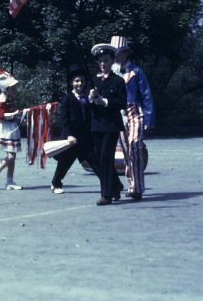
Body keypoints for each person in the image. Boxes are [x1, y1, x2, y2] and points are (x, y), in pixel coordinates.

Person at [110, 35, 155, 200]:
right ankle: (133, 186)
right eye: (114, 53)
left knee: (135, 145)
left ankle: (138, 187)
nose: (117, 56)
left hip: (135, 111)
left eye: (119, 52)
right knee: (126, 151)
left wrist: (149, 119)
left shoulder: (136, 71)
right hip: (118, 113)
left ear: (125, 53)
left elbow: (147, 95)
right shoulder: (110, 73)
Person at [50, 65, 100, 194]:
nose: (80, 84)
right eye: (77, 81)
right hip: (72, 137)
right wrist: (69, 135)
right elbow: (64, 118)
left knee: (94, 162)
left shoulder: (86, 98)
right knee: (65, 163)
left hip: (84, 137)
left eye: (82, 81)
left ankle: (110, 184)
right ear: (71, 83)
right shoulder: (68, 98)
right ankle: (56, 183)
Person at [89, 43, 126, 206]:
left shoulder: (118, 81)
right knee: (99, 158)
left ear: (112, 61)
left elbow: (122, 103)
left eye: (106, 60)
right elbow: (87, 103)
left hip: (111, 125)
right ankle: (116, 185)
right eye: (100, 61)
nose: (103, 64)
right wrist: (90, 99)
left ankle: (106, 194)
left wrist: (104, 101)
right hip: (96, 124)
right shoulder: (94, 80)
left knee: (106, 157)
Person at [0, 70, 24, 190]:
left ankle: (10, 181)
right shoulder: (2, 98)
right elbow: (1, 115)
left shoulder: (10, 98)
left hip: (12, 127)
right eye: (13, 88)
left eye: (15, 88)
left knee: (12, 155)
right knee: (11, 156)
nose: (16, 90)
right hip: (5, 129)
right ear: (6, 89)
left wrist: (16, 115)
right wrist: (12, 114)